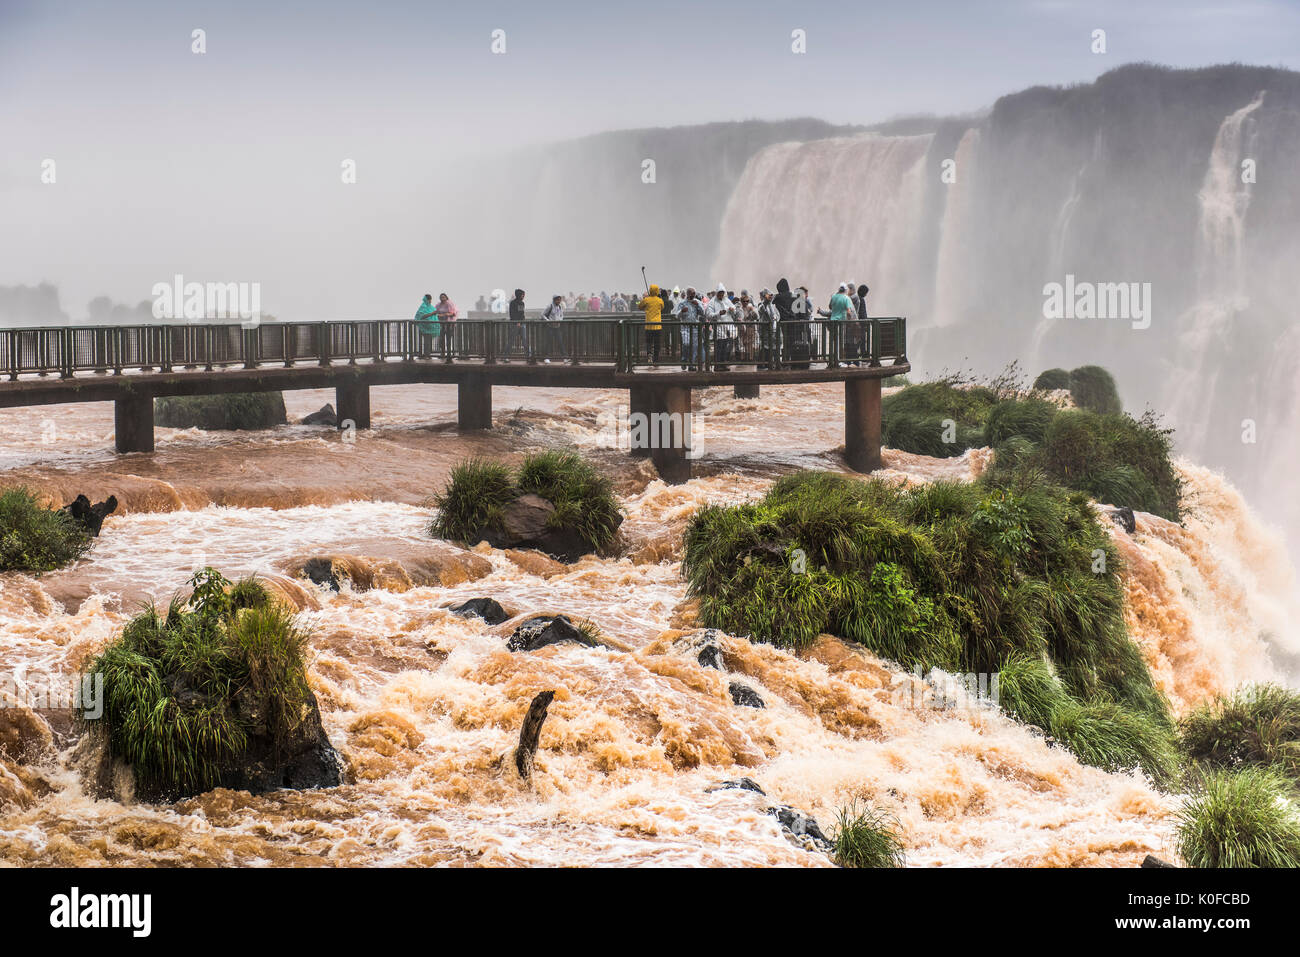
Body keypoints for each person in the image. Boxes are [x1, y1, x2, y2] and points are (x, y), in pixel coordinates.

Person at [706, 284, 737, 371]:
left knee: (726, 347)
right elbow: (709, 315)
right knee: (719, 346)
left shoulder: (726, 300)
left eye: (722, 293)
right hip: (718, 327)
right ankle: (717, 365)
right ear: (717, 293)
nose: (721, 295)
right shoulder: (712, 302)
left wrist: (732, 309)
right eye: (719, 293)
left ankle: (723, 364)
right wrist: (719, 313)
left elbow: (734, 309)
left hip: (727, 327)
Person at [676, 287, 705, 370]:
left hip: (695, 328)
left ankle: (691, 365)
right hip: (685, 327)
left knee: (694, 347)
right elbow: (677, 315)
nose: (692, 295)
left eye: (693, 294)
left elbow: (703, 313)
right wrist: (682, 311)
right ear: (687, 294)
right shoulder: (682, 303)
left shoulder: (697, 302)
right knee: (686, 344)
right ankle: (684, 360)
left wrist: (698, 305)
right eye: (691, 294)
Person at [638, 284, 664, 364]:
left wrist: (646, 305)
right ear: (657, 291)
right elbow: (662, 307)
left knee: (649, 342)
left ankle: (649, 354)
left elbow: (639, 306)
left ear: (650, 291)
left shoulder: (646, 300)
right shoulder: (660, 300)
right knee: (657, 343)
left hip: (648, 325)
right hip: (657, 326)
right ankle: (656, 358)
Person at [756, 288, 780, 368]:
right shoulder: (761, 305)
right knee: (765, 347)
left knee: (770, 347)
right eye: (768, 295)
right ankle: (761, 364)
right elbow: (762, 311)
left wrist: (776, 319)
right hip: (765, 329)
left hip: (772, 329)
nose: (770, 297)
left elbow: (777, 315)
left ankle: (768, 363)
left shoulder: (772, 306)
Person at [414, 293, 440, 358]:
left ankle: (427, 354)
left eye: (430, 300)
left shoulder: (430, 307)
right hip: (424, 327)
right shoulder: (423, 307)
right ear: (426, 300)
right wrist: (432, 313)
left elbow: (435, 314)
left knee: (428, 341)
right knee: (427, 341)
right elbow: (422, 316)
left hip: (430, 327)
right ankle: (426, 355)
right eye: (429, 300)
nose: (430, 301)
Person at [542, 294, 565, 362]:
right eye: (557, 300)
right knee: (548, 342)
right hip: (550, 327)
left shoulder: (560, 307)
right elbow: (542, 314)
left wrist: (560, 321)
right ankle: (546, 358)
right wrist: (548, 321)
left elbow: (561, 315)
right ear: (554, 300)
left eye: (560, 300)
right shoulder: (550, 306)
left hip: (557, 327)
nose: (559, 301)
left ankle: (564, 357)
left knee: (560, 342)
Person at [436, 293, 460, 357]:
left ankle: (449, 353)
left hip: (449, 324)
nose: (442, 298)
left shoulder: (450, 304)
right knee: (441, 338)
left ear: (446, 298)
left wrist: (445, 314)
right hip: (441, 324)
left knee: (449, 338)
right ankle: (442, 352)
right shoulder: (438, 305)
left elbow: (453, 313)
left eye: (443, 297)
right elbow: (435, 311)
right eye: (441, 297)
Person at [508, 288, 527, 361]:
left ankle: (529, 355)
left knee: (524, 340)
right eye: (523, 295)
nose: (523, 296)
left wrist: (521, 321)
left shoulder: (521, 303)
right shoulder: (514, 303)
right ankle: (506, 356)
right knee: (511, 340)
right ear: (519, 295)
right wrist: (517, 322)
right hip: (515, 324)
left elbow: (521, 313)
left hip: (521, 324)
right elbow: (513, 314)